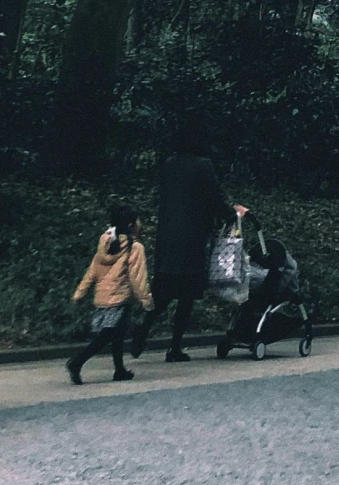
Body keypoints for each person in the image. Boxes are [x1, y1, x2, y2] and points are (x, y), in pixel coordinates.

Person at [135, 116, 242, 363]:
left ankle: (143, 329)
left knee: (162, 290)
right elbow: (213, 199)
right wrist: (230, 214)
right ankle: (174, 347)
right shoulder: (203, 165)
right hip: (192, 237)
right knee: (186, 296)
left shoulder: (169, 164)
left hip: (168, 235)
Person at [67, 205, 152, 383]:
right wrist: (146, 300)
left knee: (118, 334)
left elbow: (93, 269)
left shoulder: (105, 240)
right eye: (137, 221)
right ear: (130, 225)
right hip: (120, 296)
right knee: (108, 334)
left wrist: (80, 292)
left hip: (102, 296)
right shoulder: (134, 247)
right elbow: (138, 277)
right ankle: (77, 361)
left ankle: (119, 370)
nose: (140, 224)